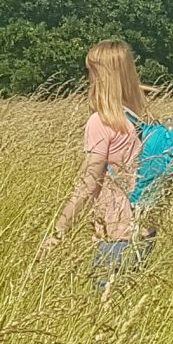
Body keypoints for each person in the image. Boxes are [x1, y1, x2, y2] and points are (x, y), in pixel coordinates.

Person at [38, 39, 156, 293]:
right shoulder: (140, 120)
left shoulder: (101, 122)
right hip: (145, 231)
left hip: (116, 235)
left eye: (90, 71)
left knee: (105, 316)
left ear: (101, 76)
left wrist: (58, 232)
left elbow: (89, 184)